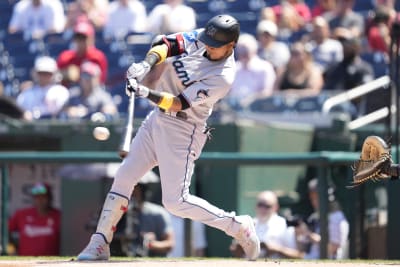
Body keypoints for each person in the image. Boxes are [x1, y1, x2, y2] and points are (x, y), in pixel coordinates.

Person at [77, 14, 260, 261]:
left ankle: (238, 226)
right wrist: (146, 64)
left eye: (215, 45)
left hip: (184, 129)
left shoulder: (223, 76)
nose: (207, 46)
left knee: (175, 202)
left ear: (231, 46)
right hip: (157, 120)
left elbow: (178, 103)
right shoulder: (204, 38)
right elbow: (167, 45)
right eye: (207, 41)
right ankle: (100, 242)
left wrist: (145, 92)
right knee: (124, 176)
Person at [116, 180, 174, 257]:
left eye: (134, 194)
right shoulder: (118, 214)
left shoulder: (158, 213)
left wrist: (150, 243)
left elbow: (170, 244)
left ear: (144, 194)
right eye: (129, 194)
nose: (131, 197)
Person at [8, 183, 61, 256]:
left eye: (43, 197)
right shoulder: (21, 214)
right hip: (25, 262)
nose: (40, 200)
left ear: (50, 198)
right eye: (37, 197)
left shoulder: (58, 216)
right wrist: (13, 247)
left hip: (50, 263)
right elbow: (6, 231)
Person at [230, 191, 287, 258]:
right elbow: (235, 251)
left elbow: (299, 254)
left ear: (276, 207)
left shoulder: (284, 224)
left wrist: (277, 250)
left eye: (267, 206)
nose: (263, 209)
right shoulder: (248, 224)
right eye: (260, 205)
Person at [305, 178, 349, 259]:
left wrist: (309, 235)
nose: (314, 202)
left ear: (328, 197)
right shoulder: (315, 215)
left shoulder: (336, 217)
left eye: (317, 198)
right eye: (312, 198)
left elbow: (333, 248)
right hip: (312, 259)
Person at [229, 33, 276, 108]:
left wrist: (249, 101)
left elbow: (267, 93)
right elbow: (228, 92)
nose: (243, 52)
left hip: (258, 110)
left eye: (245, 50)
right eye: (240, 49)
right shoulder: (233, 68)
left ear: (254, 49)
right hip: (234, 110)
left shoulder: (265, 68)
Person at [57, 21, 108, 87]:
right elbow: (54, 77)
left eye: (83, 38)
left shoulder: (97, 57)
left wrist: (79, 75)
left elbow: (100, 82)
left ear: (91, 39)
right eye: (78, 38)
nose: (80, 41)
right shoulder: (65, 57)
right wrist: (64, 74)